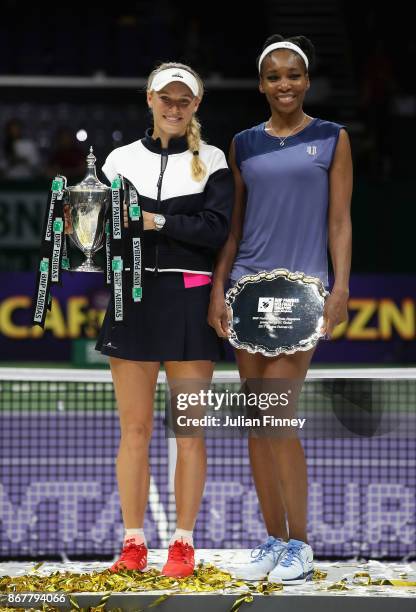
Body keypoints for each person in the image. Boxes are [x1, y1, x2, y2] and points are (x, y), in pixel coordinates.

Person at [208, 34, 352, 584]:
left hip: (304, 292)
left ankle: (301, 543)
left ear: (307, 80)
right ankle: (273, 537)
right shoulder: (242, 144)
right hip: (246, 287)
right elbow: (234, 225)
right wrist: (219, 287)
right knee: (257, 421)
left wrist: (339, 290)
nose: (284, 84)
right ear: (262, 83)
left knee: (279, 417)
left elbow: (339, 221)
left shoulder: (332, 139)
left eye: (293, 75)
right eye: (273, 76)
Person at [78, 62, 233, 577]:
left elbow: (214, 230)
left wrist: (154, 221)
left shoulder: (211, 159)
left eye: (183, 100)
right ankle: (133, 543)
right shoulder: (119, 161)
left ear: (195, 105)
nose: (174, 106)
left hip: (190, 299)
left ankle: (183, 544)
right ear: (149, 99)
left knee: (188, 431)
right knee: (135, 430)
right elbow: (99, 229)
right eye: (165, 98)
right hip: (132, 302)